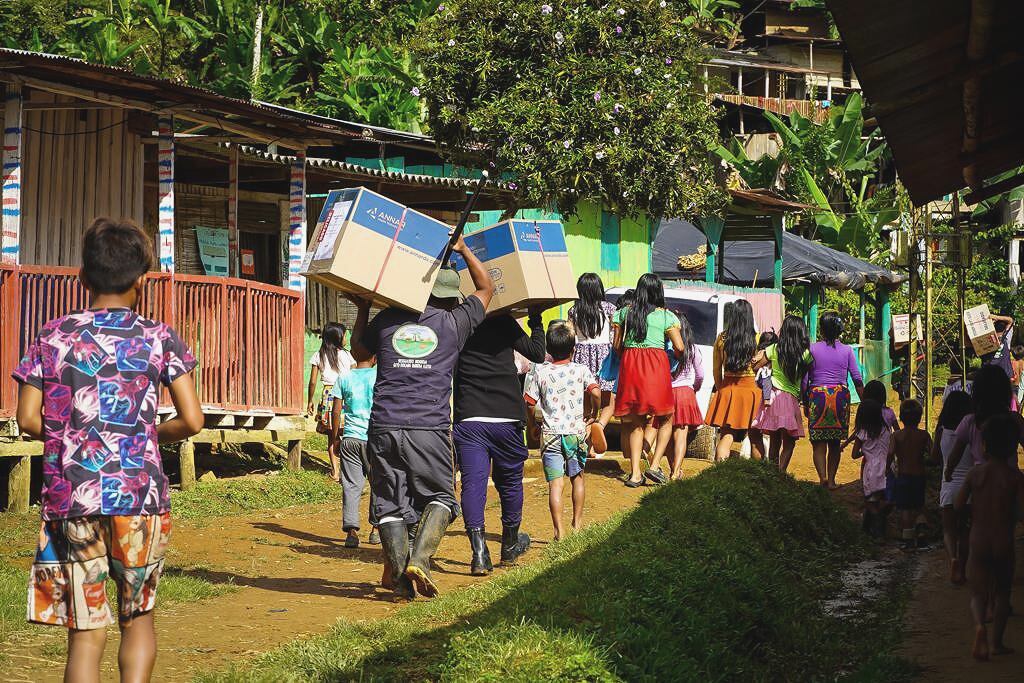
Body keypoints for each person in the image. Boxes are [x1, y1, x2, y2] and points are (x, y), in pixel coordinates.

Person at [12, 218, 203, 683]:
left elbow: (27, 419)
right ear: (142, 280)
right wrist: (146, 439)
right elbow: (193, 419)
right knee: (137, 619)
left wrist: (73, 438)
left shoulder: (52, 336)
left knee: (85, 631)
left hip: (71, 497)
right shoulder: (159, 338)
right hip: (139, 497)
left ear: (82, 276)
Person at [349, 234, 493, 600]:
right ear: (448, 297)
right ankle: (421, 561)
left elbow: (359, 352)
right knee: (442, 497)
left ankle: (399, 579)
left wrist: (364, 307)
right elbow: (487, 288)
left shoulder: (387, 320)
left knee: (388, 506)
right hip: (428, 428)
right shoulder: (453, 324)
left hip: (382, 426)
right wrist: (463, 250)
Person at [452, 307, 546, 576]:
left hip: (470, 418)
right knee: (510, 484)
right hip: (506, 416)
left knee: (473, 484)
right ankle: (509, 545)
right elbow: (537, 353)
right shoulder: (502, 320)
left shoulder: (459, 323)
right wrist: (536, 319)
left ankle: (480, 554)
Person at [955, 414, 1024, 661]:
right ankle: (997, 643)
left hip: (979, 539)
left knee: (977, 593)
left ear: (984, 445)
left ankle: (979, 627)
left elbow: (958, 503)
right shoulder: (1015, 477)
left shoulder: (976, 474)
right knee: (1003, 593)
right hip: (1004, 541)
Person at [524, 322, 601, 540]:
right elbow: (595, 392)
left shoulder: (540, 371)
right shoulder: (581, 370)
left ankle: (559, 532)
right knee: (577, 478)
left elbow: (529, 402)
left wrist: (533, 426)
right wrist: (594, 412)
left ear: (548, 347)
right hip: (575, 433)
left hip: (550, 434)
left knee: (555, 485)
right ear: (573, 348)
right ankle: (577, 525)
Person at [612, 274, 686, 486]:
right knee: (666, 417)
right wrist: (676, 357)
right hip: (656, 366)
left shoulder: (624, 313)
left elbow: (617, 346)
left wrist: (628, 356)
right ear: (658, 292)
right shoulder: (667, 317)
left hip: (630, 365)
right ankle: (654, 466)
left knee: (636, 422)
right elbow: (680, 347)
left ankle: (635, 474)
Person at [804, 312, 864, 489]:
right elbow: (857, 378)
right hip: (840, 399)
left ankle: (822, 477)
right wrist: (866, 401)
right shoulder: (847, 351)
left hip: (817, 397)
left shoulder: (811, 349)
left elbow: (804, 379)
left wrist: (805, 401)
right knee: (835, 442)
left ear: (821, 329)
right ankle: (831, 481)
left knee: (818, 442)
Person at [750, 315, 813, 472]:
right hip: (790, 400)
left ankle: (772, 474)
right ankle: (781, 472)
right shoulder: (805, 354)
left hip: (772, 397)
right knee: (789, 442)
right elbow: (806, 378)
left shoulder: (774, 349)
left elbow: (756, 366)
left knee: (774, 440)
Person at [329, 354, 379, 548]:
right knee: (378, 484)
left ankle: (351, 532)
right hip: (375, 439)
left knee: (350, 485)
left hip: (350, 437)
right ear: (374, 358)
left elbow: (336, 411)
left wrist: (335, 438)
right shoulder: (379, 377)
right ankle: (376, 530)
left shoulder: (344, 377)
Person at [706, 299, 764, 463]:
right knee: (755, 436)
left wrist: (721, 389)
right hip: (752, 391)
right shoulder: (757, 339)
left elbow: (716, 369)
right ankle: (758, 474)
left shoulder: (721, 338)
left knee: (727, 434)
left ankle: (720, 472)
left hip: (728, 389)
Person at [945, 364, 1024, 478]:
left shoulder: (970, 421)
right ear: (1006, 391)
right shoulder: (1015, 419)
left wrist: (949, 471)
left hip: (981, 481)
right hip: (1010, 481)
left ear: (976, 392)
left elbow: (955, 454)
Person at [931, 390, 973, 584]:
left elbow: (934, 458)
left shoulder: (941, 431)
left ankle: (953, 559)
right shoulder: (973, 431)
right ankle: (962, 569)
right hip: (969, 489)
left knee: (949, 530)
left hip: (947, 486)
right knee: (965, 531)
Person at [568, 273, 617, 433]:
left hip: (581, 357)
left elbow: (570, 336)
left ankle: (586, 441)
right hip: (604, 358)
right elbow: (614, 335)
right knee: (608, 401)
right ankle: (600, 425)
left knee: (586, 403)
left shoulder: (573, 310)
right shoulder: (609, 308)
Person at [307, 322, 355, 480]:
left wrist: (310, 401)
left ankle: (335, 472)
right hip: (345, 395)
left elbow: (313, 382)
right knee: (346, 434)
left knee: (332, 436)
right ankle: (348, 472)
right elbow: (354, 374)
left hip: (328, 395)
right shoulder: (347, 355)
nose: (346, 338)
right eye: (344, 335)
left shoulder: (318, 355)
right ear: (337, 338)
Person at [888, 399, 932, 550]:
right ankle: (921, 536)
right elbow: (932, 456)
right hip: (919, 475)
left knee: (906, 509)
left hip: (903, 476)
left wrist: (887, 468)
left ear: (901, 417)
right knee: (919, 506)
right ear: (919, 418)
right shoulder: (924, 435)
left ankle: (908, 541)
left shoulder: (896, 436)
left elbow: (890, 453)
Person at [668, 315, 703, 480]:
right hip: (686, 394)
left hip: (667, 393)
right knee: (681, 435)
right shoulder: (693, 349)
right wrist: (695, 387)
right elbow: (700, 375)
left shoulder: (666, 349)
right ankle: (676, 472)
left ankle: (673, 468)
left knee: (666, 435)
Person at [849, 399, 891, 539]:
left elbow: (854, 455)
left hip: (871, 469)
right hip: (887, 467)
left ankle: (877, 530)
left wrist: (865, 452)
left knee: (870, 501)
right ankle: (877, 526)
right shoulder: (886, 430)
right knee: (884, 497)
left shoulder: (862, 432)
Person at [981, 313, 1015, 383]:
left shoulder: (985, 340)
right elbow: (1010, 320)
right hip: (1003, 375)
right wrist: (996, 317)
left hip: (989, 376)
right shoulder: (1006, 336)